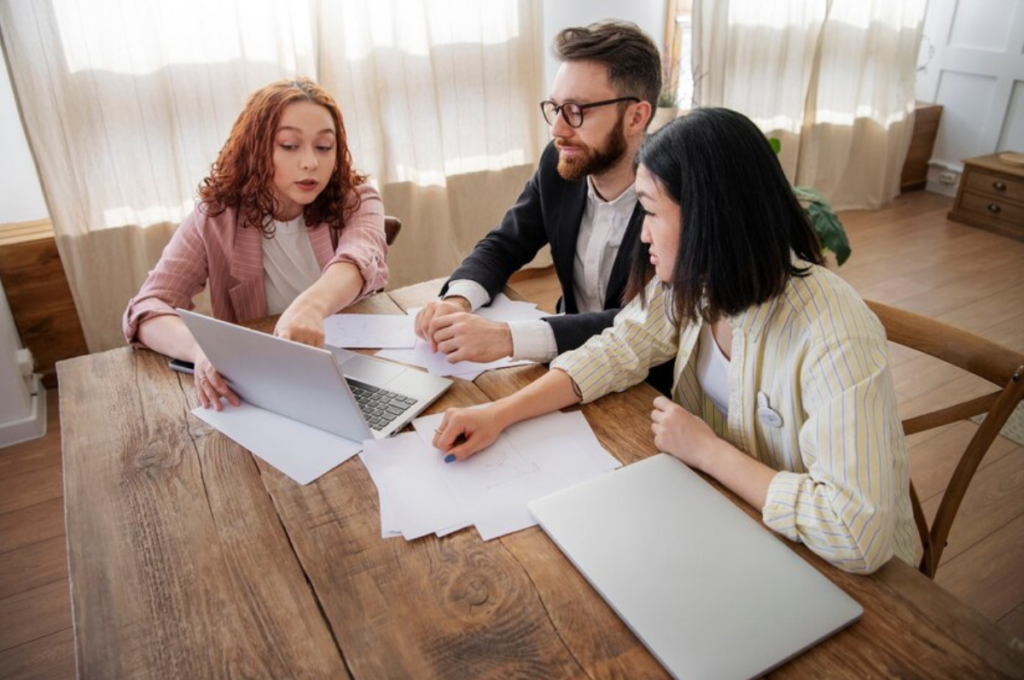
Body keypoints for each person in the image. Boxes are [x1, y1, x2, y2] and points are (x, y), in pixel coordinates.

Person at [433, 108, 918, 574]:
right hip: (726, 518)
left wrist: (707, 451)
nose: (642, 235)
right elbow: (617, 350)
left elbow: (857, 532)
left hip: (842, 571)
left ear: (710, 218)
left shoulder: (834, 331)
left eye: (649, 212)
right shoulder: (694, 281)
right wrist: (498, 414)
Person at [413, 21, 674, 392]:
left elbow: (643, 325)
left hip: (644, 385)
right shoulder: (559, 163)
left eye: (577, 110)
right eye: (555, 108)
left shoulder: (672, 198)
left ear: (636, 116)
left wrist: (507, 338)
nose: (558, 129)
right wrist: (457, 301)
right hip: (562, 365)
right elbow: (505, 243)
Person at [124, 78, 387, 410]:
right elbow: (146, 309)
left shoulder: (358, 199)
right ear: (257, 148)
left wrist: (310, 308)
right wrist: (202, 351)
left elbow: (360, 258)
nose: (311, 163)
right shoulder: (217, 217)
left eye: (323, 147)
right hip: (264, 385)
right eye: (290, 146)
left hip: (355, 370)